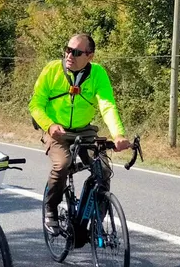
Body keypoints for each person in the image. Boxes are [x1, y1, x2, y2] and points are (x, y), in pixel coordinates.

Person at [28, 33, 130, 235]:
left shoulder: (98, 73)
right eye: (67, 49)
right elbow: (36, 104)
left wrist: (118, 135)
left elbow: (107, 105)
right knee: (62, 164)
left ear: (89, 56)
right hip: (56, 129)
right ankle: (51, 209)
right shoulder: (52, 70)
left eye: (75, 52)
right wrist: (49, 125)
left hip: (84, 130)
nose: (69, 55)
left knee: (103, 169)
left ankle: (96, 221)